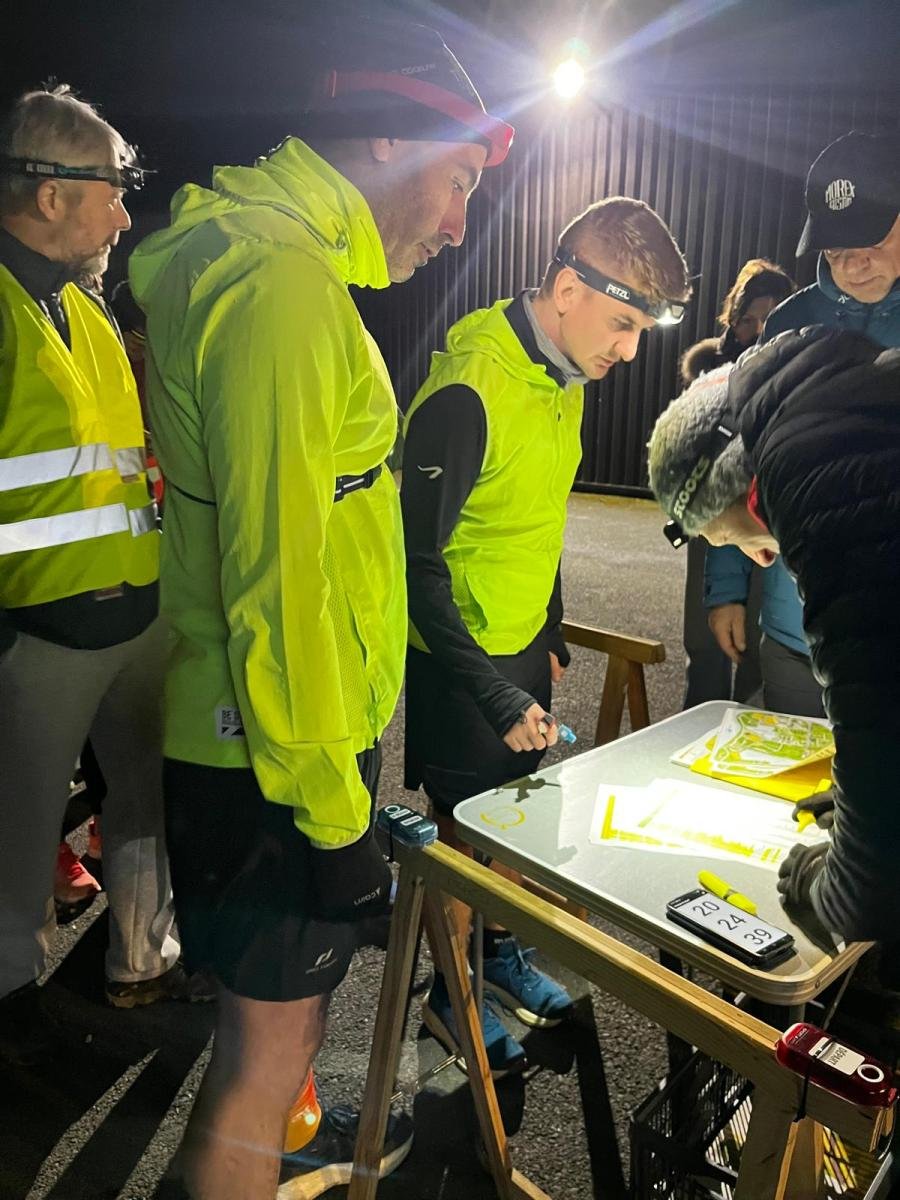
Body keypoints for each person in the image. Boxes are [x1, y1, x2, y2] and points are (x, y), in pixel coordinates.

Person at [129, 19, 512, 1200]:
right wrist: (333, 814)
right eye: (459, 181)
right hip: (271, 755)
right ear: (389, 139)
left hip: (262, 740)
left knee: (270, 1053)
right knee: (262, 1069)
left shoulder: (264, 258)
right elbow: (279, 579)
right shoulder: (281, 286)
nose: (458, 225)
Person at [401, 197, 691, 1074]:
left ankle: (497, 958)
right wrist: (493, 690)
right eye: (623, 324)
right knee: (464, 844)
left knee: (520, 823)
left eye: (641, 331)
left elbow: (536, 517)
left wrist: (552, 626)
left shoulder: (562, 375)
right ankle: (450, 997)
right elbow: (412, 565)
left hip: (522, 646)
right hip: (461, 665)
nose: (629, 351)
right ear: (568, 291)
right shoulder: (470, 389)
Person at [0, 86, 197, 1068]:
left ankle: (140, 959)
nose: (125, 216)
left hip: (133, 619)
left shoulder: (87, 311)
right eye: (112, 192)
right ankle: (12, 1001)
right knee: (17, 830)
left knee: (144, 798)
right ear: (48, 194)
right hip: (36, 633)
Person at [648, 327, 900, 947]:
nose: (763, 559)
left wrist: (819, 882)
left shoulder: (817, 476)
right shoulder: (851, 404)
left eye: (725, 537)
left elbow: (872, 891)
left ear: (726, 489)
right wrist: (857, 800)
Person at [703, 131, 900, 718]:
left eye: (872, 240)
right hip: (796, 628)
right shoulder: (789, 322)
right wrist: (727, 588)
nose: (854, 264)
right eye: (836, 248)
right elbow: (745, 455)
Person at [679, 259, 795, 710]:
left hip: (767, 531)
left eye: (772, 316)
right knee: (707, 643)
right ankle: (700, 719)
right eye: (748, 319)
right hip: (712, 526)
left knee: (758, 649)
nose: (760, 330)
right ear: (732, 322)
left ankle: (747, 720)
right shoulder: (711, 381)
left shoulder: (800, 377)